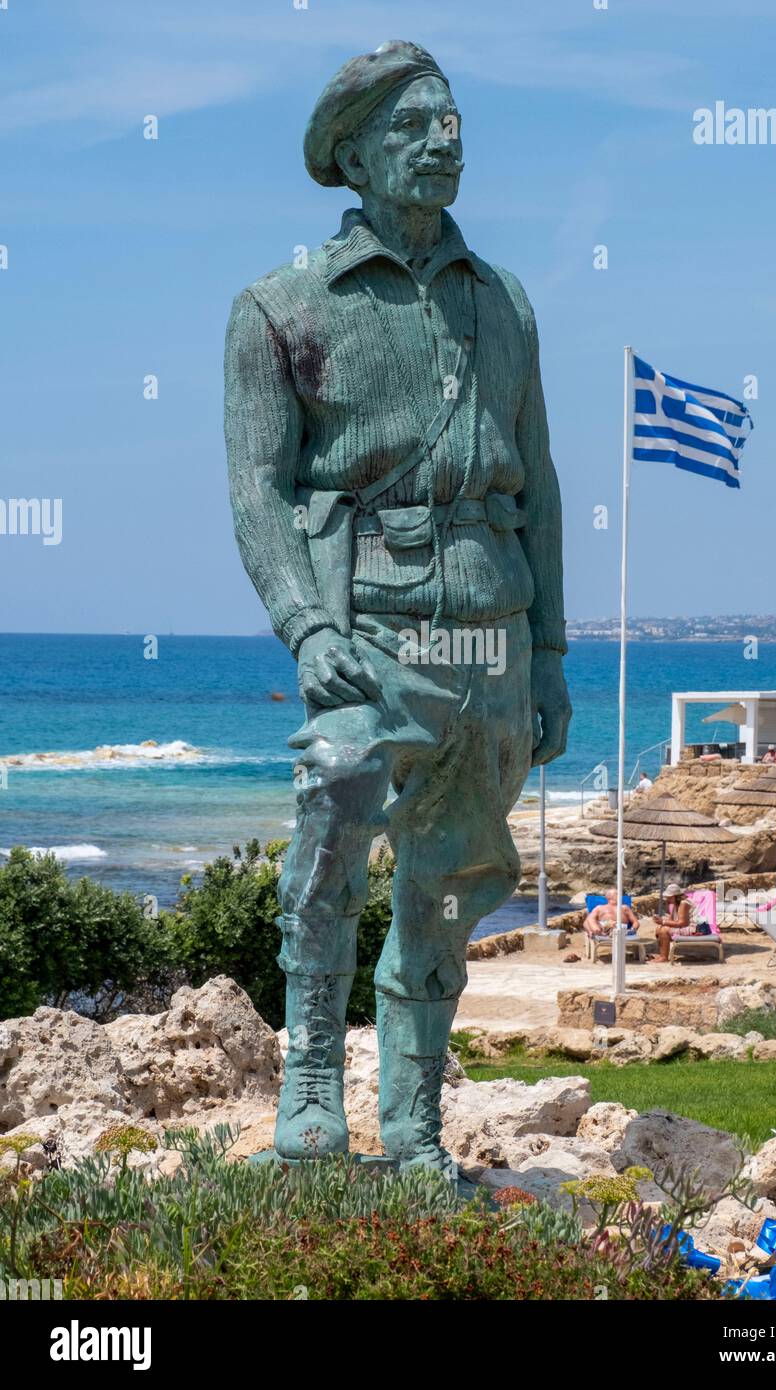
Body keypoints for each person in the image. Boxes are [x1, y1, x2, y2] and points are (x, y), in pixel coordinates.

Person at [225, 41, 571, 1177]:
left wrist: (554, 652)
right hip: (365, 629)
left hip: (494, 633)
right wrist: (304, 625)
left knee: (451, 876)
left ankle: (415, 1119)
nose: (445, 139)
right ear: (357, 154)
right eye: (416, 124)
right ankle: (313, 1077)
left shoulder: (502, 300)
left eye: (453, 120)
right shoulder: (282, 307)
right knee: (332, 810)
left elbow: (541, 482)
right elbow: (260, 490)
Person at [649, 884, 700, 962]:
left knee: (664, 930)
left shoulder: (684, 903)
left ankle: (664, 957)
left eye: (668, 897)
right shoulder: (676, 904)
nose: (667, 899)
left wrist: (663, 922)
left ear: (675, 896)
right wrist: (661, 921)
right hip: (685, 927)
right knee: (659, 928)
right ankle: (662, 954)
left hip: (693, 928)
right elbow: (671, 920)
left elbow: (682, 923)